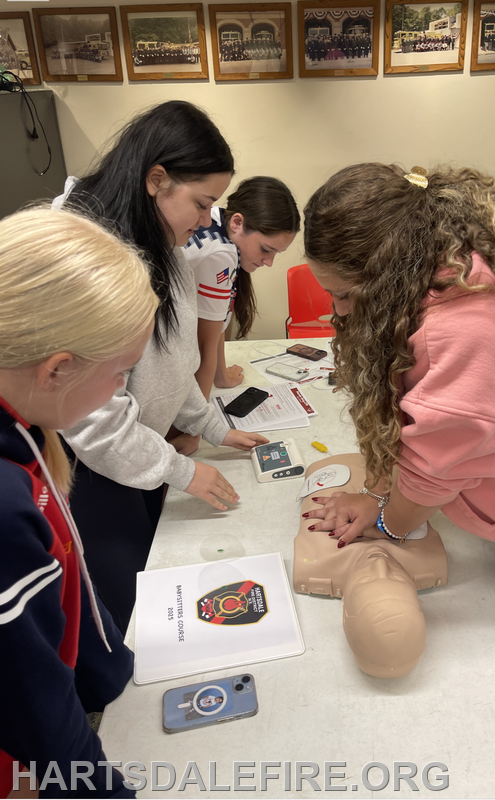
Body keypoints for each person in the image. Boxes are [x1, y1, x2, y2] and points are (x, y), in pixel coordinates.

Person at [302, 163, 495, 760]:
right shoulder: (458, 271)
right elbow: (438, 432)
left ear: (388, 272)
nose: (338, 312)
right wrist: (380, 495)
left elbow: (433, 469)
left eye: (343, 294)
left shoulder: (466, 326)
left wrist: (389, 519)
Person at [55, 101, 268, 635]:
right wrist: (183, 469)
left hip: (143, 451)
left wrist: (211, 426)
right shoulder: (83, 261)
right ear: (156, 180)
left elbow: (172, 362)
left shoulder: (162, 244)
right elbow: (97, 424)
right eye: (201, 204)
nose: (206, 222)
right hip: (91, 468)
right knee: (123, 610)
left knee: (155, 574)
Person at [0, 206, 159, 798]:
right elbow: (37, 713)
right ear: (57, 369)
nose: (120, 391)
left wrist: (112, 671)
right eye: (120, 374)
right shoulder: (5, 510)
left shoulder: (24, 432)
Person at [172, 177, 300, 455]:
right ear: (238, 223)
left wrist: (222, 375)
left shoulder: (216, 217)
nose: (269, 262)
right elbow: (206, 346)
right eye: (266, 249)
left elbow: (214, 322)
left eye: (276, 253)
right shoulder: (221, 254)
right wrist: (194, 432)